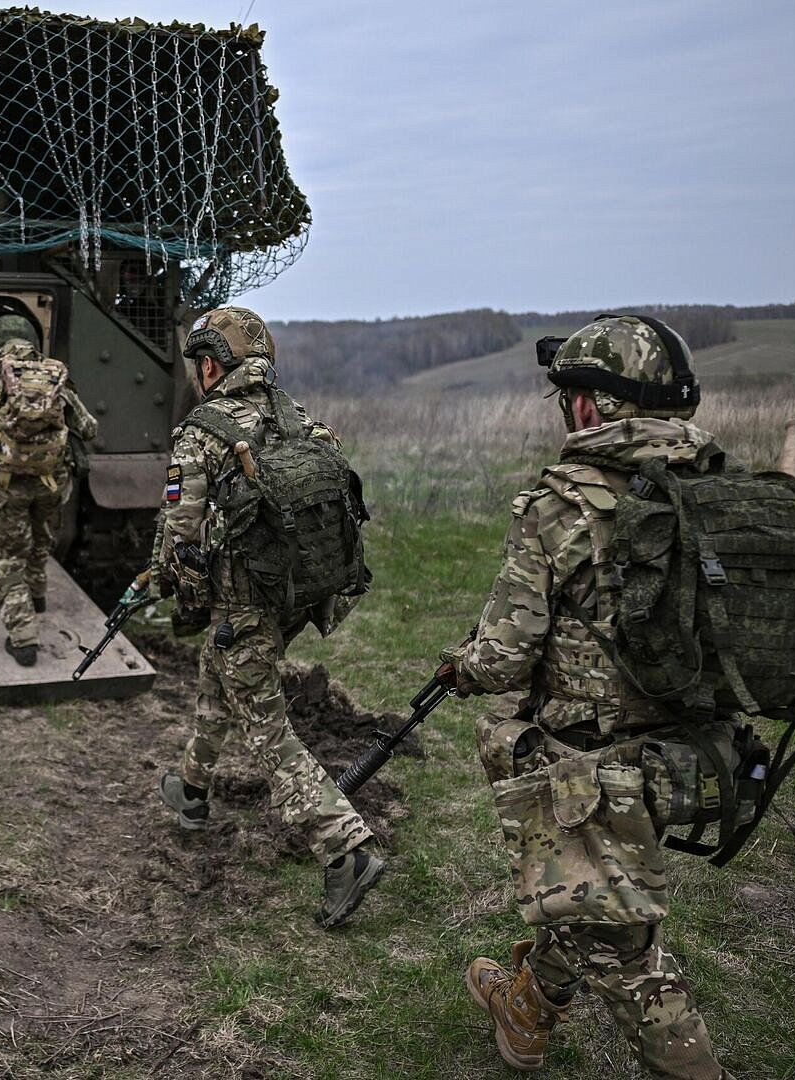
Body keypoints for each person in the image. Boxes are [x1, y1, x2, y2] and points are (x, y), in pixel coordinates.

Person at [441, 314, 731, 1078]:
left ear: (591, 405)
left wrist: (462, 666)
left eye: (568, 396)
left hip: (597, 774)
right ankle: (525, 1012)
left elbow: (504, 658)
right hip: (698, 759)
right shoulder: (716, 491)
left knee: (631, 961)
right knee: (590, 901)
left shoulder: (561, 504)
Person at [151, 305, 385, 929]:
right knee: (219, 673)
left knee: (267, 731)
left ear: (210, 366)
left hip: (243, 602)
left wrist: (172, 584)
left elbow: (180, 534)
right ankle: (192, 789)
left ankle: (345, 847)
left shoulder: (201, 432)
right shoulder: (300, 419)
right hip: (294, 599)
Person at [0, 314, 97, 665]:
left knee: (10, 557)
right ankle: (37, 596)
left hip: (8, 485)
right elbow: (88, 427)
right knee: (41, 540)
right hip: (52, 481)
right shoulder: (53, 375)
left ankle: (23, 639)